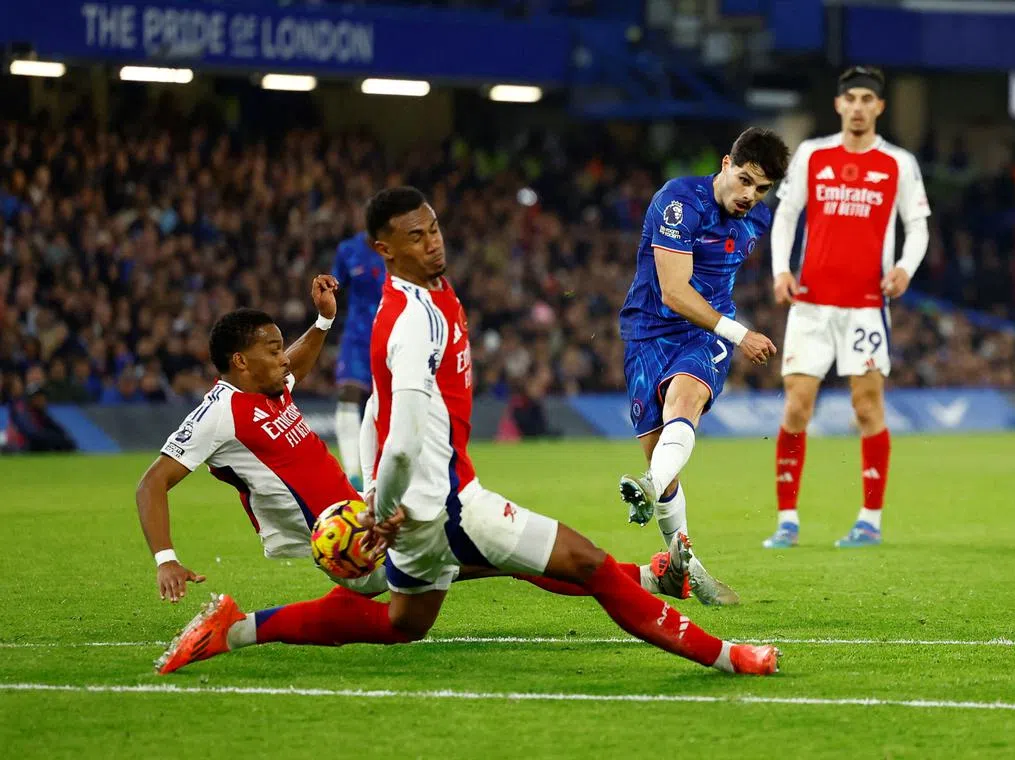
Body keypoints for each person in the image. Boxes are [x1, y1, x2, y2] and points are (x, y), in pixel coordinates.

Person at [136, 280, 691, 674]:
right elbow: (152, 482)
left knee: (490, 560)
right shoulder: (217, 413)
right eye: (272, 350)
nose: (285, 359)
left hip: (366, 519)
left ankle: (645, 578)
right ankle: (237, 630)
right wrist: (166, 559)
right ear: (238, 362)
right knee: (493, 555)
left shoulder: (267, 386)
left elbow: (297, 365)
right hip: (348, 543)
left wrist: (324, 322)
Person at [361, 185, 780, 676]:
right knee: (588, 564)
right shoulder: (413, 320)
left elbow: (377, 406)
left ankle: (248, 629)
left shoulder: (429, 294)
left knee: (403, 621)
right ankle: (727, 655)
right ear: (384, 250)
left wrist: (373, 496)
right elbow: (403, 442)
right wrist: (381, 507)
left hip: (419, 512)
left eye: (433, 229)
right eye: (416, 237)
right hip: (452, 503)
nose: (433, 242)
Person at [616, 127, 790, 605]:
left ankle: (648, 489)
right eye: (745, 180)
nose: (749, 195)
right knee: (663, 459)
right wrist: (742, 334)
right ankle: (684, 567)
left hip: (706, 334)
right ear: (725, 162)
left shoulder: (757, 221)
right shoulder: (679, 202)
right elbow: (673, 291)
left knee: (685, 397)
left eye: (761, 189)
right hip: (648, 331)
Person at [766, 66, 931, 549]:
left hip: (865, 306)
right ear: (839, 105)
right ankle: (787, 521)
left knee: (867, 406)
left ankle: (870, 521)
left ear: (880, 107)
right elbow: (787, 215)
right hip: (811, 304)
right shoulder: (813, 156)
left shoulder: (898, 163)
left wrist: (904, 268)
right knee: (797, 407)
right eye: (851, 98)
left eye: (867, 99)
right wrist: (781, 270)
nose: (858, 106)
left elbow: (918, 225)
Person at [331, 221, 386, 490]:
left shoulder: (396, 248)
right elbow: (335, 286)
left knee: (384, 402)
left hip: (390, 334)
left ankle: (379, 472)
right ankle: (352, 475)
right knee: (348, 394)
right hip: (357, 336)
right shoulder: (348, 250)